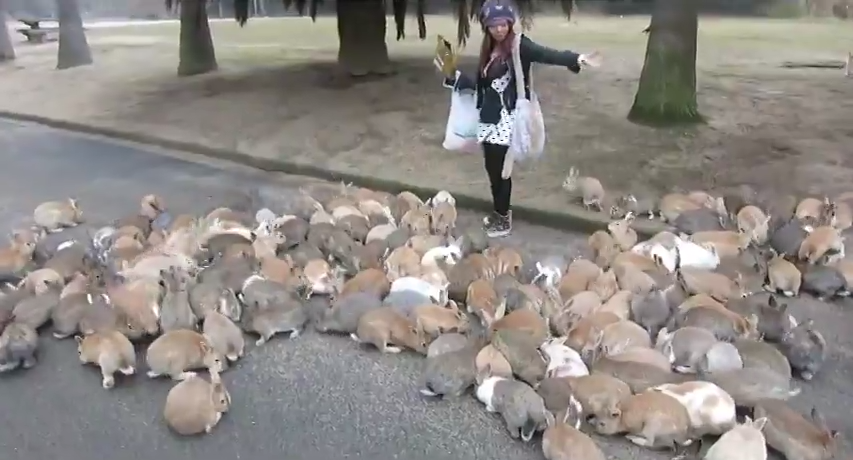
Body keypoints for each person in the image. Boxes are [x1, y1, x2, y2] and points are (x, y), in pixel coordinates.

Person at [441, 0, 600, 238]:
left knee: (502, 173)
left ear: (510, 22)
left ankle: (503, 218)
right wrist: (454, 77)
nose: (499, 29)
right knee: (493, 171)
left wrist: (577, 59)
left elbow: (547, 54)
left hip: (508, 121)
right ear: (486, 26)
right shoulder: (489, 50)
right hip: (488, 121)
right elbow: (484, 86)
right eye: (493, 25)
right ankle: (499, 212)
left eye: (503, 23)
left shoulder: (519, 45)